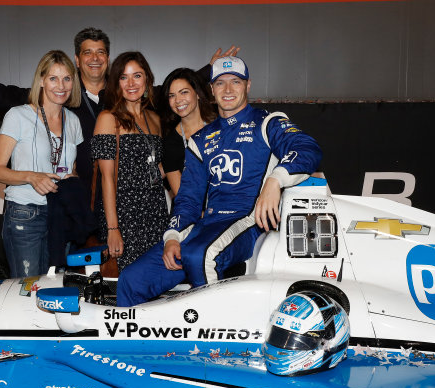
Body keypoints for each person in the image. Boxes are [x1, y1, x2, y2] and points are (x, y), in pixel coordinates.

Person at [116, 56, 323, 307]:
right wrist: (172, 236)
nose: (228, 89)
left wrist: (274, 181)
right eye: (220, 83)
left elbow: (307, 148)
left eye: (235, 82)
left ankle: (212, 344)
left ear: (247, 86)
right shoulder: (201, 140)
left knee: (199, 255)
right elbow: (188, 198)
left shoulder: (267, 122)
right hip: (207, 226)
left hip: (249, 222)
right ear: (211, 90)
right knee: (131, 279)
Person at [0, 31, 239, 197]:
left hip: (126, 194)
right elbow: (4, 94)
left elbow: (173, 91)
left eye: (101, 52)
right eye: (87, 53)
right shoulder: (61, 93)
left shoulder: (127, 93)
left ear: (107, 59)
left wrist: (211, 71)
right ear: (78, 60)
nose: (95, 58)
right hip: (79, 194)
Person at [0, 50, 83, 277]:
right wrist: (32, 176)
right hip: (25, 215)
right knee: (27, 292)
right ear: (41, 80)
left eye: (67, 78)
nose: (61, 85)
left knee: (55, 291)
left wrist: (72, 179)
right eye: (53, 78)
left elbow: (71, 169)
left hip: (60, 216)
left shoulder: (73, 121)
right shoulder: (18, 115)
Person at [91, 51, 168, 271]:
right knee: (128, 286)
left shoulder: (154, 119)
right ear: (116, 83)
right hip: (125, 218)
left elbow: (155, 169)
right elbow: (107, 178)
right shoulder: (108, 119)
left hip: (156, 214)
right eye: (124, 77)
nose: (131, 83)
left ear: (147, 79)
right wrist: (113, 229)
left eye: (137, 75)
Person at [159, 68, 217, 197]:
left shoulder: (220, 127)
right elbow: (182, 196)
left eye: (184, 92)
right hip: (192, 212)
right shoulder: (170, 143)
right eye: (172, 95)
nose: (178, 100)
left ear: (197, 93)